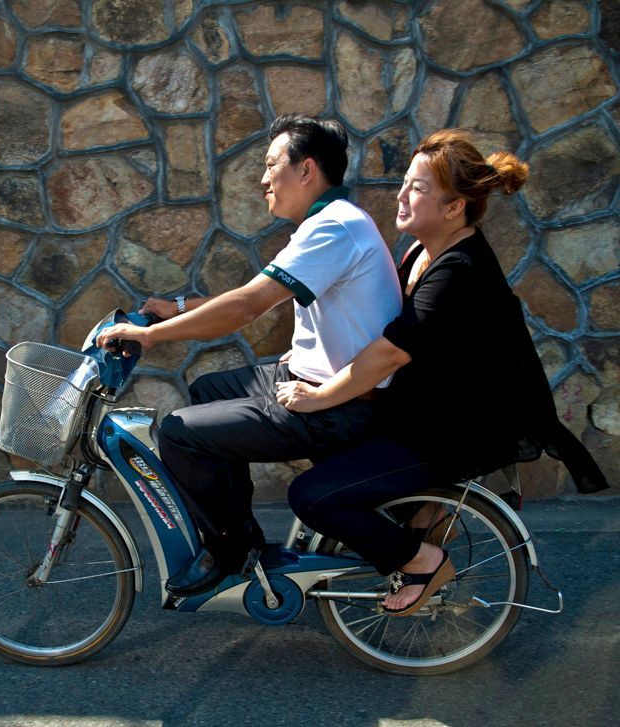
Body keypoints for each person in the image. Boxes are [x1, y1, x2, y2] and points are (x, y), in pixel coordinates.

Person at [278, 129, 607, 616]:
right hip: (420, 417)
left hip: (451, 436)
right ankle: (414, 530)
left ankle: (425, 563)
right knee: (329, 455)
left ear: (454, 207)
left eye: (417, 188)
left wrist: (320, 394)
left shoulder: (459, 271)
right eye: (404, 183)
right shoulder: (421, 252)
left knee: (312, 496)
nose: (401, 195)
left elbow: (391, 352)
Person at [96, 114, 402, 596]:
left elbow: (247, 307)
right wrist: (176, 308)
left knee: (179, 433)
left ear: (306, 170)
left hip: (336, 401)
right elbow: (255, 292)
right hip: (308, 375)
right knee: (207, 390)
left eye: (271, 164)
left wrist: (150, 336)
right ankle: (240, 534)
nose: (263, 179)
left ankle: (231, 550)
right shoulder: (329, 222)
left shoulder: (334, 228)